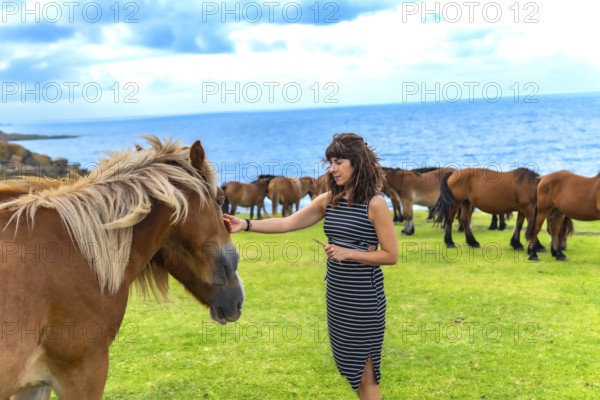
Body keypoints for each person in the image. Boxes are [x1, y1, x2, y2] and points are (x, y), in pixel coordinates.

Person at [224, 133, 398, 400]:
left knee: (366, 374)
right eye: (330, 162)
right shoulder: (330, 200)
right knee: (350, 369)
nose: (332, 168)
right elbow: (287, 222)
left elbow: (390, 255)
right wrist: (246, 224)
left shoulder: (375, 204)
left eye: (339, 162)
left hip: (364, 298)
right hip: (337, 295)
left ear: (357, 163)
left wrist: (347, 253)